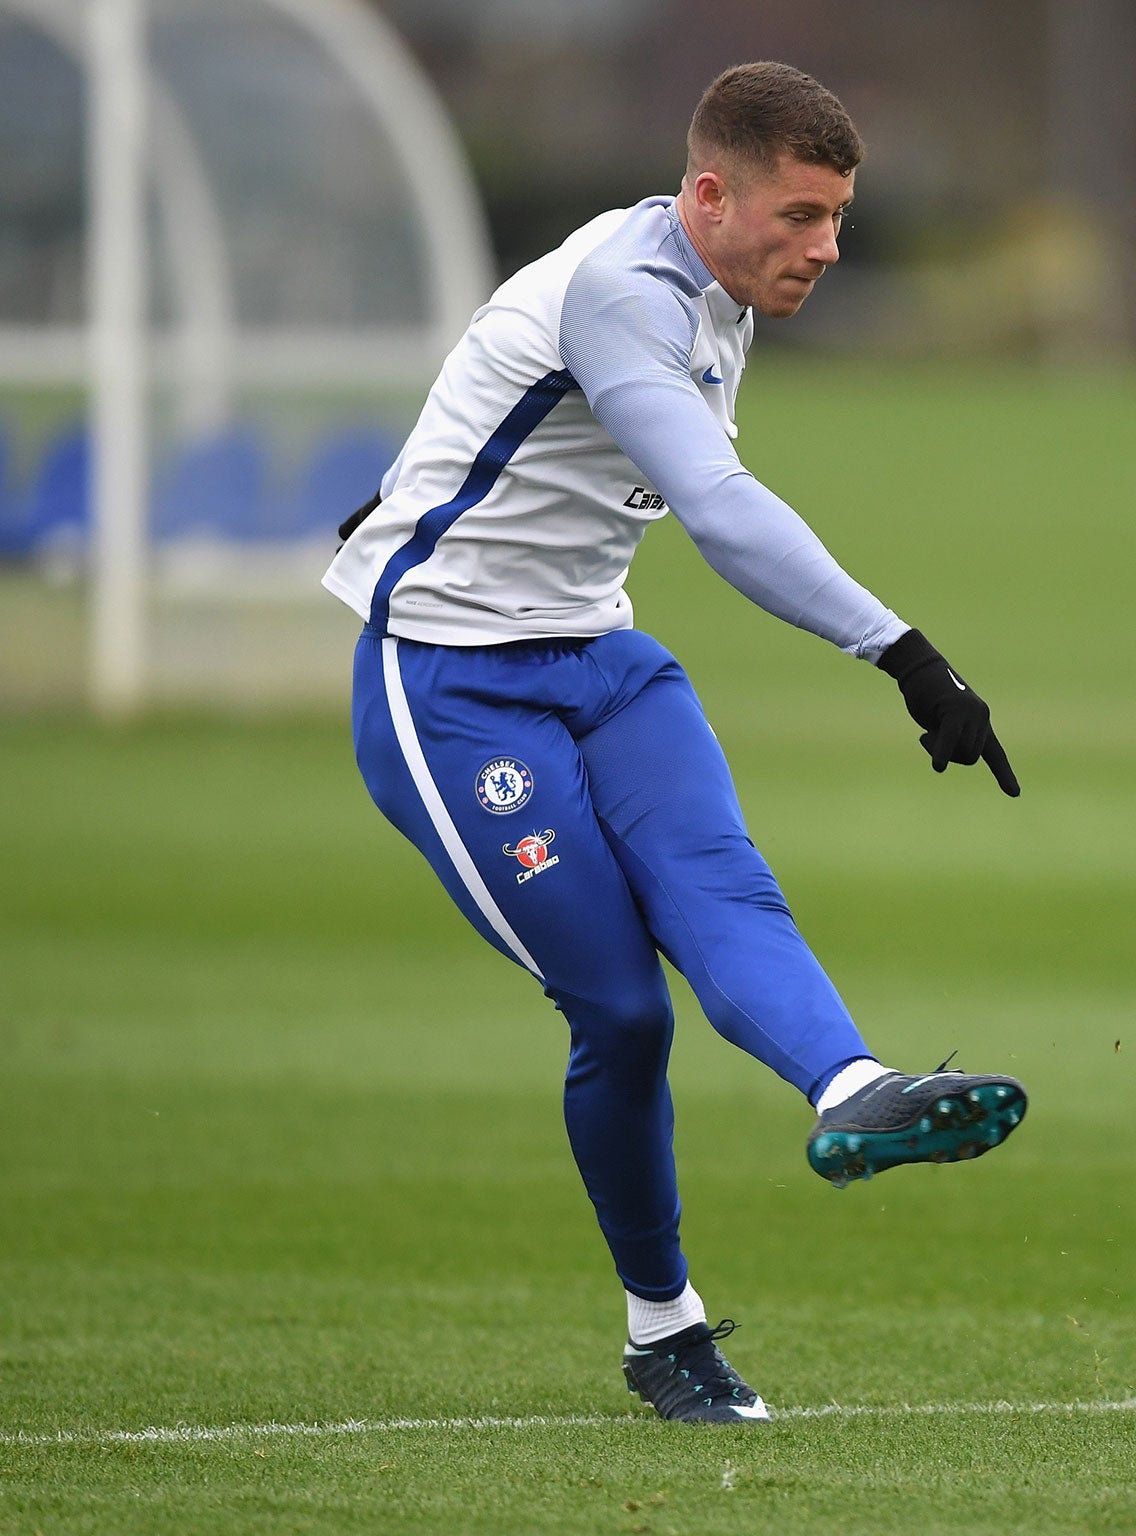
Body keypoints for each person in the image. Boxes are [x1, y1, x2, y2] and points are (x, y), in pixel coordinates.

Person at [322, 62, 1028, 1424]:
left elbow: (545, 432)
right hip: (449, 690)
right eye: (803, 215)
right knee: (623, 1013)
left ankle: (857, 1089)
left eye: (840, 221)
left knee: (722, 884)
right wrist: (904, 652)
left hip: (602, 658)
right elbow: (711, 500)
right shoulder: (625, 289)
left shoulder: (717, 284)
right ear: (709, 195)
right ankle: (666, 1333)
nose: (826, 247)